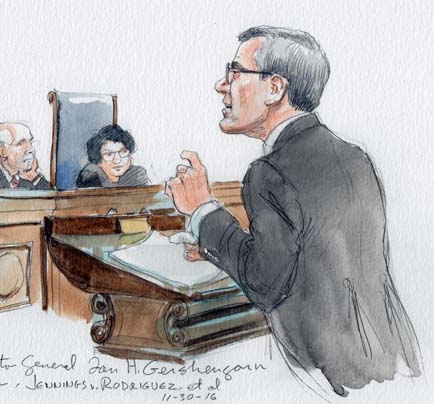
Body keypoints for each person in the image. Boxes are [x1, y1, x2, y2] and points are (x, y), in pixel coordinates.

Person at [166, 26, 421, 397]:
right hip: (390, 357)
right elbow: (316, 252)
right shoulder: (356, 158)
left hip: (327, 375)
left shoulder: (268, 172)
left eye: (234, 73)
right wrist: (213, 245)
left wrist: (202, 209)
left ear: (275, 89)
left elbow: (263, 283)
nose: (222, 86)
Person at [75, 124, 150, 188]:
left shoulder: (137, 175)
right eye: (109, 154)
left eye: (123, 152)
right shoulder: (90, 175)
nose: (117, 160)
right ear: (97, 160)